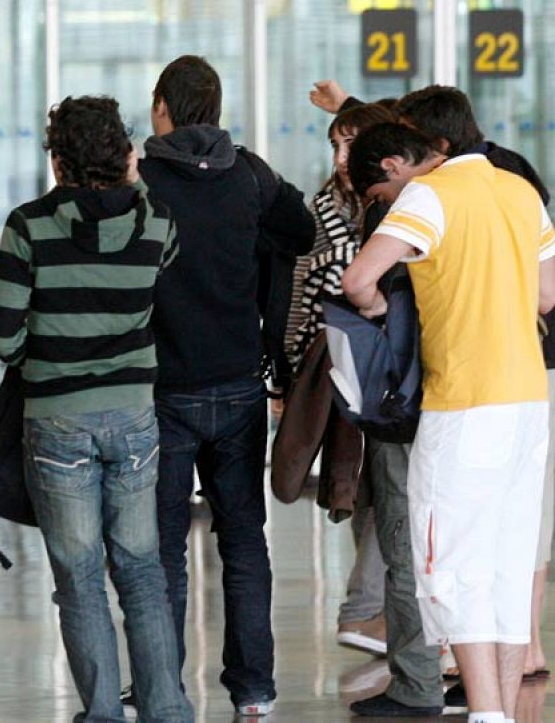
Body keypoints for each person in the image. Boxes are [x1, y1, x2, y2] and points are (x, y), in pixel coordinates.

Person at [344, 110, 555, 723]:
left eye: (380, 193)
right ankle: (505, 716)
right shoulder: (517, 189)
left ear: (395, 166)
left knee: (451, 569)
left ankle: (486, 715)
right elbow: (547, 295)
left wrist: (383, 306)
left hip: (462, 404)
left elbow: (360, 278)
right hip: (525, 401)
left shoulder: (429, 196)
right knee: (508, 568)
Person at [0, 96, 191, 723]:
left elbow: (3, 336)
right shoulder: (159, 223)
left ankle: (103, 711)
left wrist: (42, 351)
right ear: (124, 153)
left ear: (57, 159)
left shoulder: (28, 225)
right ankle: (167, 709)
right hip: (134, 414)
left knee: (79, 577)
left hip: (57, 417)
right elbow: (158, 277)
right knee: (143, 571)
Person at [137, 55, 314, 717]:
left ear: (163, 108)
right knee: (242, 538)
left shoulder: (144, 181)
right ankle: (254, 689)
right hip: (239, 383)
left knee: (159, 548)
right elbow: (301, 230)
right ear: (214, 107)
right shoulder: (251, 174)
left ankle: (161, 685)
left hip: (161, 387)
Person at [283, 102, 395, 660]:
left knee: (382, 484)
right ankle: (366, 610)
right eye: (335, 146)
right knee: (365, 483)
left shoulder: (403, 203)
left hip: (393, 372)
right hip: (344, 374)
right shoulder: (323, 208)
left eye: (351, 144)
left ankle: (370, 610)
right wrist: (287, 380)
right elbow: (302, 299)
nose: (341, 158)